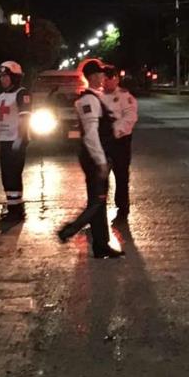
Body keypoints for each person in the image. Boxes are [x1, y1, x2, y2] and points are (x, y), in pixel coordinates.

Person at [57, 60, 123, 259]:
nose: (104, 77)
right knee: (97, 201)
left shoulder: (96, 98)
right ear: (93, 76)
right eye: (101, 74)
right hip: (94, 158)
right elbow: (91, 135)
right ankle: (68, 231)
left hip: (97, 156)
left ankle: (101, 245)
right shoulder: (89, 100)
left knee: (101, 201)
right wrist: (101, 161)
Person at [0, 61, 32, 220]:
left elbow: (25, 118)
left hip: (16, 140)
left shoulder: (22, 94)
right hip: (5, 140)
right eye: (0, 76)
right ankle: (12, 205)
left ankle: (17, 210)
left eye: (5, 76)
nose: (2, 79)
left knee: (14, 174)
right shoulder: (2, 96)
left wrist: (20, 137)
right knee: (6, 175)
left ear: (14, 77)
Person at [101, 66, 138, 222]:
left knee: (121, 176)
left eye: (110, 78)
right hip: (101, 142)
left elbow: (130, 118)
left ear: (116, 79)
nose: (107, 82)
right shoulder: (97, 96)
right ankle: (97, 210)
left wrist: (113, 132)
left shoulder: (125, 97)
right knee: (100, 179)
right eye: (104, 79)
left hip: (120, 142)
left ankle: (123, 208)